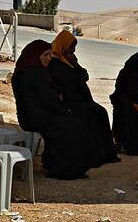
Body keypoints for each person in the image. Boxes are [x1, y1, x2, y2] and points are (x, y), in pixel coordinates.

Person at [12, 40, 91, 180]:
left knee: (74, 123)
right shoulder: (34, 73)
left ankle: (54, 164)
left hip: (32, 115)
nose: (49, 58)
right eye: (46, 55)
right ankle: (64, 169)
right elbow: (50, 98)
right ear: (36, 55)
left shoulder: (25, 70)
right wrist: (63, 108)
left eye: (50, 54)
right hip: (38, 118)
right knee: (76, 127)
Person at [48, 30, 120, 166]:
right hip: (69, 102)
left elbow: (85, 76)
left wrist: (75, 66)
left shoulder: (69, 61)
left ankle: (106, 150)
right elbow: (69, 81)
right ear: (63, 46)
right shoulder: (55, 63)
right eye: (71, 47)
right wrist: (75, 71)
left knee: (101, 112)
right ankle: (93, 153)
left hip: (81, 100)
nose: (73, 50)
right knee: (89, 115)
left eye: (74, 47)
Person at [110, 52, 138, 155]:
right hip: (125, 105)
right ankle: (124, 142)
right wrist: (132, 104)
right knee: (128, 112)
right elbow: (119, 94)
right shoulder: (125, 74)